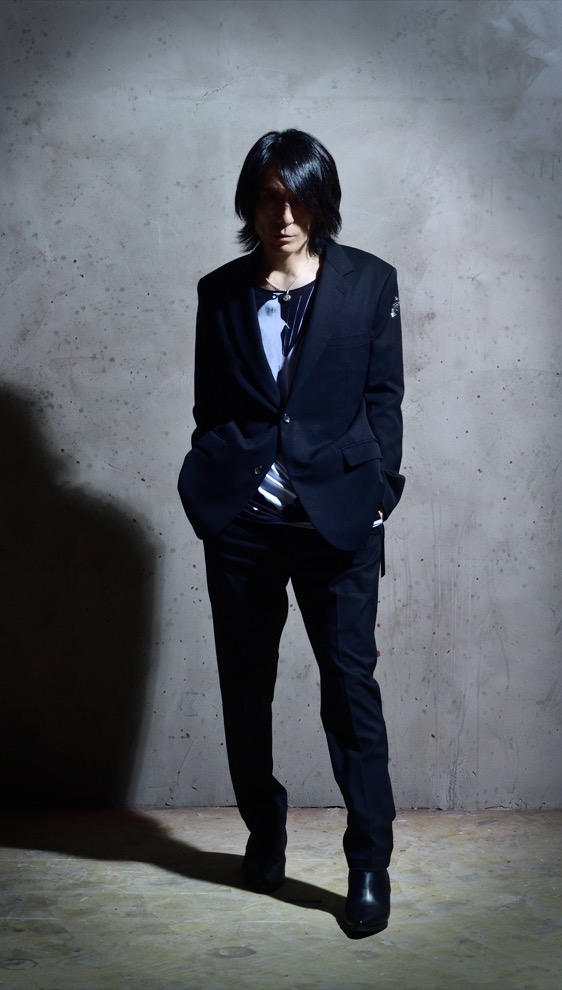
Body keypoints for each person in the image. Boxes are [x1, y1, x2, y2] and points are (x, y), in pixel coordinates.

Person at [178, 129, 405, 935]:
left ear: (321, 202)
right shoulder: (220, 292)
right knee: (246, 689)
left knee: (350, 692)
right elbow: (213, 408)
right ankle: (263, 829)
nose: (283, 215)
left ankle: (368, 862)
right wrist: (213, 491)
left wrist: (379, 497)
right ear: (251, 204)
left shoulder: (369, 282)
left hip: (337, 524)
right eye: (269, 198)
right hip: (243, 526)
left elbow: (384, 400)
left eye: (298, 198)